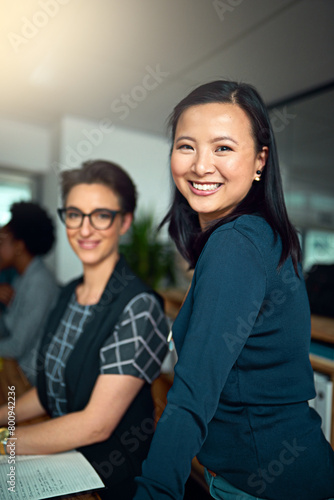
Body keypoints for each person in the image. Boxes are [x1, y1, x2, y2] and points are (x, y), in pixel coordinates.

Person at [134, 81, 334, 500]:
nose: (201, 165)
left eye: (222, 148)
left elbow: (193, 392)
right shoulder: (260, 236)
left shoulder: (236, 243)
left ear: (260, 160)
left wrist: (152, 493)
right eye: (186, 146)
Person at [0, 160, 169, 499]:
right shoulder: (67, 293)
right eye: (75, 214)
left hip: (107, 478)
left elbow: (97, 424)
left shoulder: (140, 306)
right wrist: (4, 416)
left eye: (101, 215)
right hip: (63, 456)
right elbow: (49, 390)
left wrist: (5, 441)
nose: (85, 228)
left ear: (124, 222)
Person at [0, 202, 58, 384]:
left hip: (28, 381)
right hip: (13, 368)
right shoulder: (21, 278)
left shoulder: (40, 284)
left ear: (18, 246)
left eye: (1, 242)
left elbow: (16, 346)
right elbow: (6, 329)